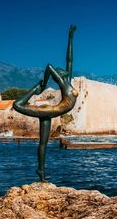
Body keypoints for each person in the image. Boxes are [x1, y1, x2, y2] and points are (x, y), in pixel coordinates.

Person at [13, 25, 78, 182]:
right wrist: (42, 86)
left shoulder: (67, 81)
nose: (63, 69)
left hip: (50, 112)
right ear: (60, 75)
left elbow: (69, 59)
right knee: (17, 105)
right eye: (61, 70)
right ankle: (35, 88)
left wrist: (70, 37)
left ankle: (41, 171)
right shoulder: (62, 82)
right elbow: (49, 66)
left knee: (44, 143)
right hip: (51, 110)